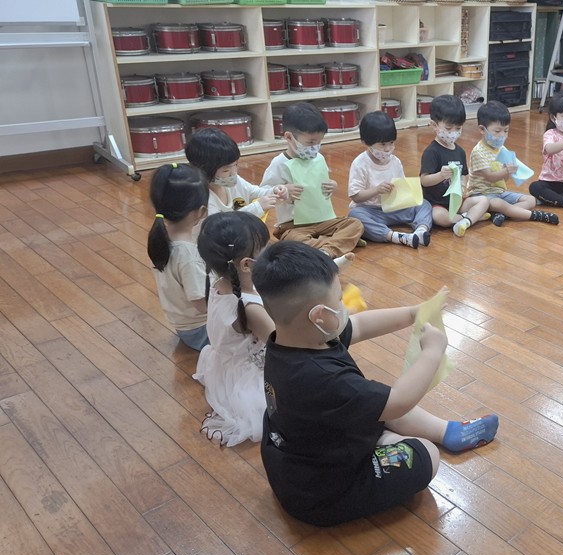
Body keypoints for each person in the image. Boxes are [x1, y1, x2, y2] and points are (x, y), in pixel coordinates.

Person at [252, 241, 499, 526]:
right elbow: (399, 402)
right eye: (339, 300)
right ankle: (404, 441)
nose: (344, 306)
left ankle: (448, 432)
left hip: (298, 460)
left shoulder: (292, 338)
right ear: (319, 316)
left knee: (373, 399)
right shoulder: (325, 379)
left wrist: (413, 313)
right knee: (427, 454)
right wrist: (433, 351)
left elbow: (359, 326)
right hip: (323, 493)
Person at [194, 211, 273, 446]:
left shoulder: (219, 283)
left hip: (225, 365)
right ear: (247, 264)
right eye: (266, 248)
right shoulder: (250, 308)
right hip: (250, 377)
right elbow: (282, 344)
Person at [261, 102, 365, 257]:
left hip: (324, 221)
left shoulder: (318, 158)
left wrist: (333, 186)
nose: (315, 147)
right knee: (293, 239)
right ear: (289, 137)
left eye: (319, 142)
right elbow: (262, 193)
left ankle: (324, 249)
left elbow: (320, 186)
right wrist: (282, 192)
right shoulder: (279, 164)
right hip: (293, 226)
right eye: (310, 142)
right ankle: (334, 245)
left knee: (355, 224)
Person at [147, 163, 209, 351]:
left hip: (186, 327)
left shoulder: (161, 237)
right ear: (202, 211)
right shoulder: (188, 255)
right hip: (202, 330)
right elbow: (201, 304)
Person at [348, 111, 432, 248]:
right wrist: (376, 190)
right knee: (355, 215)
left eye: (391, 143)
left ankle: (421, 231)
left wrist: (409, 191)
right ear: (366, 142)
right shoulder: (360, 164)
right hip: (371, 211)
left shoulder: (395, 161)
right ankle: (396, 237)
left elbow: (402, 188)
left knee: (424, 204)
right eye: (382, 144)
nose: (388, 149)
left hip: (394, 208)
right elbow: (356, 196)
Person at [468, 101, 559, 226]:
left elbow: (503, 181)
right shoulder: (478, 152)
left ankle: (502, 214)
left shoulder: (501, 149)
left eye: (506, 131)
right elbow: (490, 177)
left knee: (530, 200)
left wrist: (509, 172)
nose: (502, 135)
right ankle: (534, 216)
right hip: (482, 195)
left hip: (499, 192)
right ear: (482, 129)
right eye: (497, 131)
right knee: (498, 203)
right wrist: (506, 171)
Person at [419, 94, 491, 237]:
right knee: (439, 217)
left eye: (458, 128)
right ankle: (470, 218)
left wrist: (463, 185)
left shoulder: (459, 151)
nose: (453, 133)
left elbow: (464, 174)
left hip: (457, 202)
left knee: (484, 201)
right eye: (448, 128)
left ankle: (465, 220)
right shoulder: (431, 152)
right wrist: (440, 175)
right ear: (434, 125)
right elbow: (424, 180)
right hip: (437, 203)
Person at [185, 127, 286, 219]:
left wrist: (274, 191)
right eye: (226, 170)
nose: (234, 172)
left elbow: (255, 192)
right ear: (203, 170)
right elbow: (220, 225)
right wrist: (257, 207)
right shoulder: (203, 199)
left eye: (236, 165)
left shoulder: (233, 181)